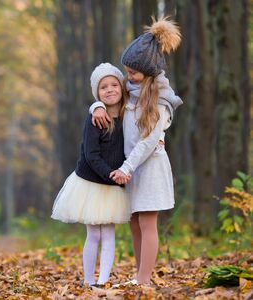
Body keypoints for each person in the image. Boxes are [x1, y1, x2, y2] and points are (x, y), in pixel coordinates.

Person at [89, 17, 183, 285]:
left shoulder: (160, 101)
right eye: (126, 71)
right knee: (133, 223)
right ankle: (139, 274)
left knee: (146, 223)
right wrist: (95, 107)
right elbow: (107, 97)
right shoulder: (130, 92)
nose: (126, 76)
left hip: (149, 167)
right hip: (130, 169)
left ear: (149, 70)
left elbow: (149, 141)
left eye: (132, 72)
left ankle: (144, 280)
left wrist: (126, 167)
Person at [51, 63, 131, 287]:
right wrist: (111, 174)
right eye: (103, 87)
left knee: (109, 235)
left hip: (113, 184)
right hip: (92, 182)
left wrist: (121, 174)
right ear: (97, 93)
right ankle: (88, 280)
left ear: (121, 87)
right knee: (94, 235)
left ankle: (103, 281)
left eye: (114, 84)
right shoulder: (96, 118)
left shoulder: (127, 116)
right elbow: (90, 154)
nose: (110, 89)